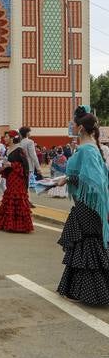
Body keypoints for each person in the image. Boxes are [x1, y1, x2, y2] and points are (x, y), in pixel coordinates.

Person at [55, 108, 109, 307]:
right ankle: (80, 289)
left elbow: (94, 180)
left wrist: (68, 178)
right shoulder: (91, 148)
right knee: (85, 244)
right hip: (87, 204)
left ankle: (88, 292)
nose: (71, 126)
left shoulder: (87, 150)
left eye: (73, 123)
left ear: (80, 128)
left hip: (87, 205)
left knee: (86, 244)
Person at [0, 131, 33, 233]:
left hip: (18, 178)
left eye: (6, 137)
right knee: (10, 196)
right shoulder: (8, 150)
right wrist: (5, 167)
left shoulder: (19, 149)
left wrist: (11, 165)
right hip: (11, 178)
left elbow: (25, 166)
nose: (4, 138)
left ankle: (20, 226)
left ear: (12, 138)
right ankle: (9, 224)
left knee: (17, 198)